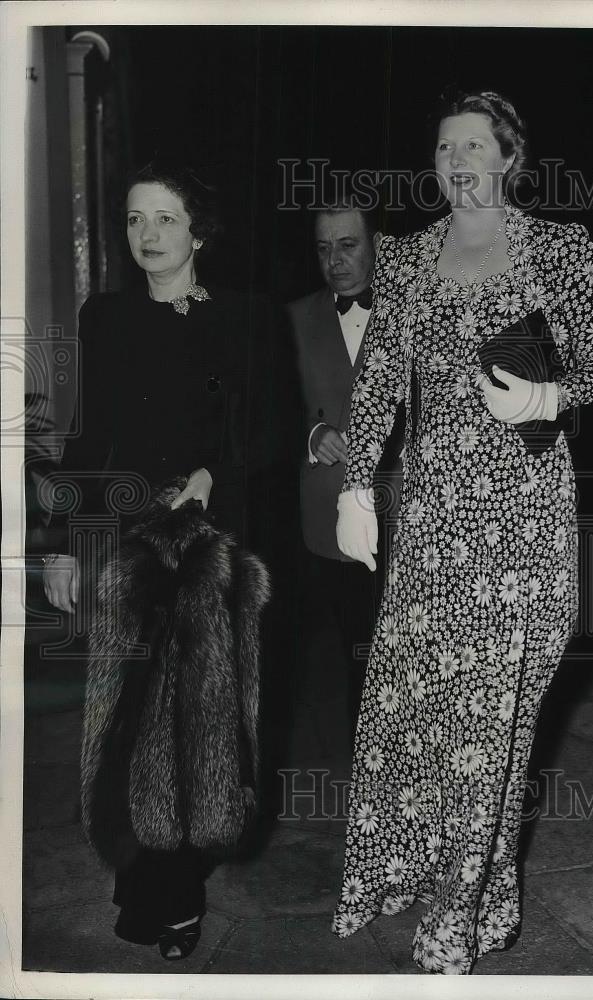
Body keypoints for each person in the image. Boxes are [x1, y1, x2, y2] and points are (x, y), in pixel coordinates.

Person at [331, 89, 593, 974]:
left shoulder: (556, 245)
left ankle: (453, 921)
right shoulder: (410, 257)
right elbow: (379, 379)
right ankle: (486, 895)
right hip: (429, 525)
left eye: (472, 145)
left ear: (508, 156)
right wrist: (356, 488)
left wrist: (551, 396)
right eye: (442, 147)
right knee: (425, 717)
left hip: (525, 524)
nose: (456, 161)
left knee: (493, 722)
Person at [38, 160, 269, 960]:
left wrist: (214, 476)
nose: (147, 235)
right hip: (123, 548)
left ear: (198, 230)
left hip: (206, 553)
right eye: (135, 220)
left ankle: (176, 896)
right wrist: (67, 547)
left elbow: (266, 437)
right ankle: (141, 877)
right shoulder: (105, 317)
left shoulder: (242, 319)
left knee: (192, 728)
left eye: (165, 219)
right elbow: (84, 437)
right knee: (127, 717)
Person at [287, 203, 402, 744]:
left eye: (348, 244)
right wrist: (310, 435)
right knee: (357, 646)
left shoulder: (415, 313)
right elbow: (266, 413)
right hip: (329, 521)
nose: (335, 260)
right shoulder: (291, 319)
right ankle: (370, 769)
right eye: (323, 247)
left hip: (413, 513)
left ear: (377, 242)